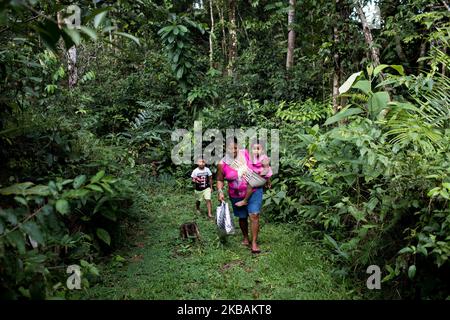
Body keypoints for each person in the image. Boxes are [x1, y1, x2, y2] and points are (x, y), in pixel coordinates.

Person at [216, 137, 264, 254]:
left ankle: (254, 243)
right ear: (225, 148)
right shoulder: (222, 163)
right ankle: (245, 237)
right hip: (236, 194)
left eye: (235, 148)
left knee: (254, 214)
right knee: (242, 217)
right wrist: (220, 191)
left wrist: (265, 177)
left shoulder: (246, 154)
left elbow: (259, 162)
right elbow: (220, 179)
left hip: (254, 190)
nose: (233, 150)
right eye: (230, 148)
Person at [235, 141, 272, 207]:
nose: (256, 151)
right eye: (254, 149)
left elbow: (267, 169)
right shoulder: (252, 157)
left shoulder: (264, 158)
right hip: (256, 175)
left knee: (250, 185)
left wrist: (261, 176)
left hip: (261, 176)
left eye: (258, 149)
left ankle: (245, 200)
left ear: (262, 150)